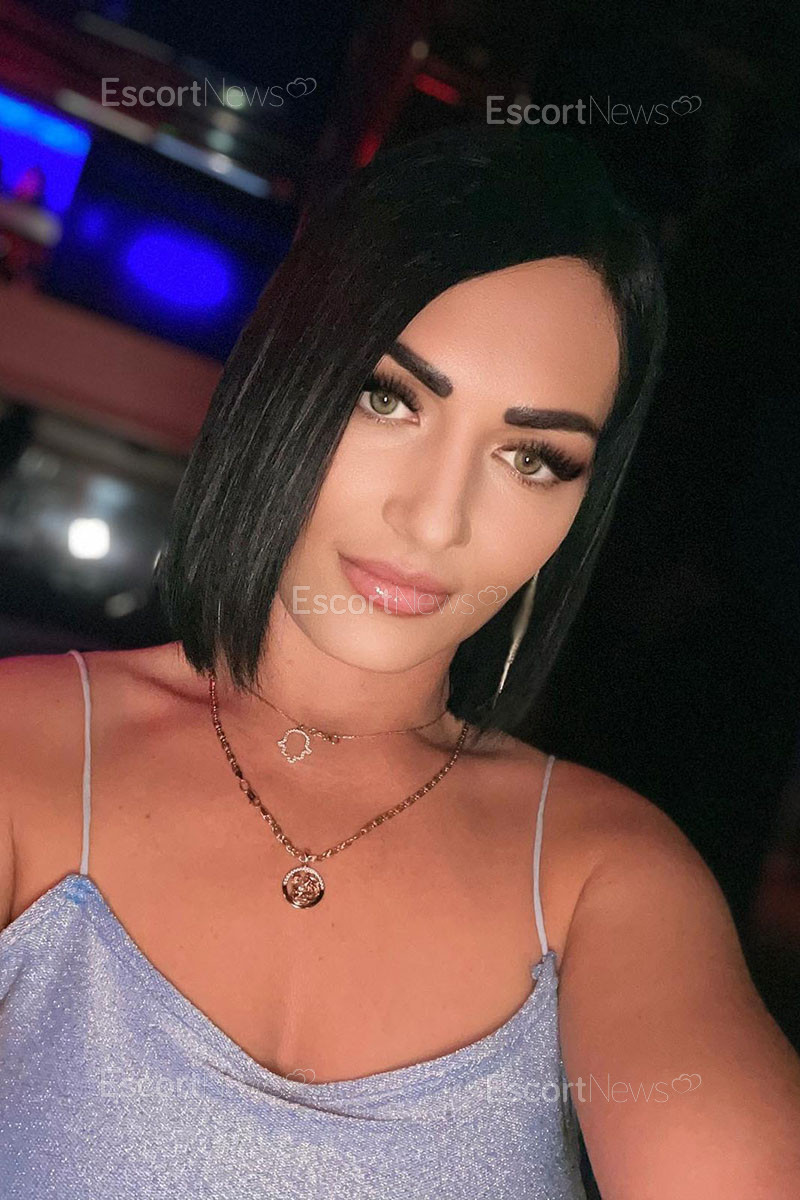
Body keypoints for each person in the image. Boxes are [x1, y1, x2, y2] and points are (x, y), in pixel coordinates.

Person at [1, 121, 799, 1199]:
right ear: (285, 381)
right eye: (389, 398)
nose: (434, 520)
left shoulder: (608, 873)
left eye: (531, 457)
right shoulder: (22, 748)